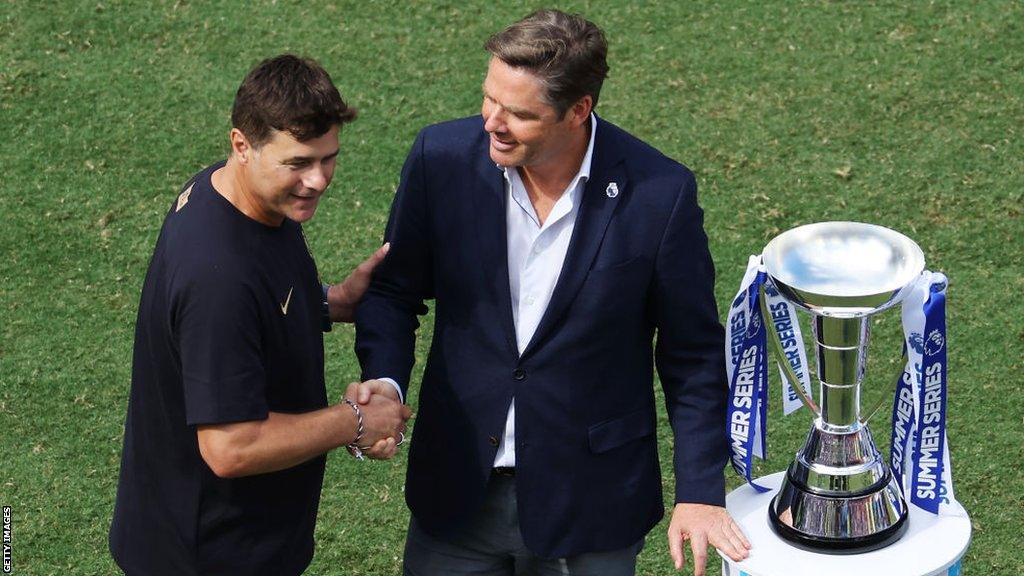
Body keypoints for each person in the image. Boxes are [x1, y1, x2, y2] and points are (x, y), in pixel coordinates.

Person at [353, 9, 750, 576]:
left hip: (593, 503)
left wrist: (701, 492)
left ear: (578, 110)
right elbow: (393, 290)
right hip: (457, 492)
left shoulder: (659, 194)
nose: (491, 121)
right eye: (489, 98)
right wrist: (386, 381)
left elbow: (692, 353)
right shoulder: (439, 159)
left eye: (518, 112)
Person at [109, 54, 411, 576]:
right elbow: (231, 447)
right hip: (208, 556)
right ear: (241, 145)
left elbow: (262, 297)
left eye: (328, 158)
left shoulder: (238, 196)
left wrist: (334, 300)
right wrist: (356, 421)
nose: (317, 180)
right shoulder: (218, 278)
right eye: (297, 163)